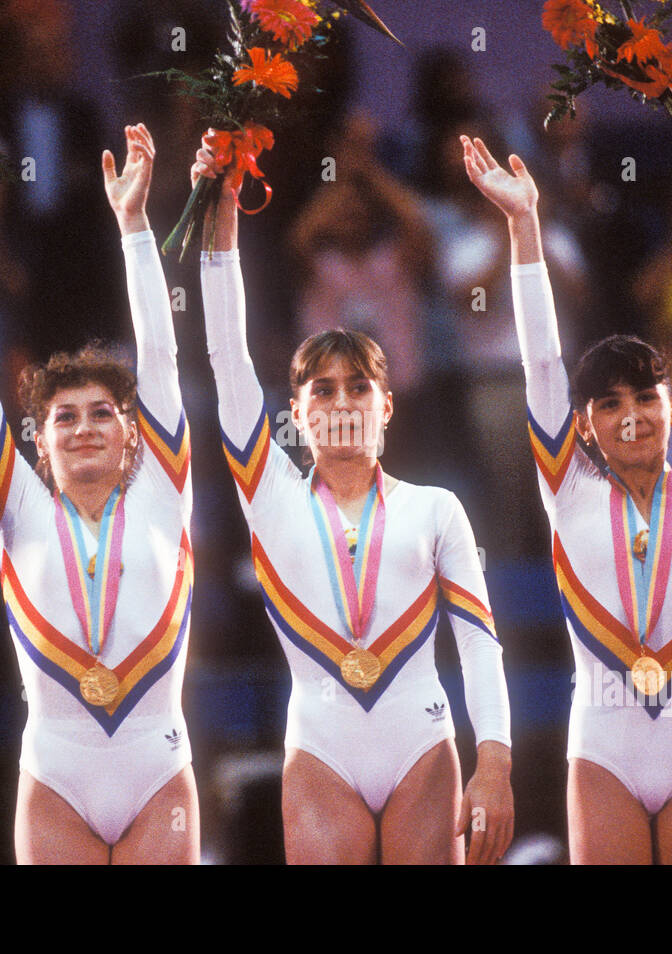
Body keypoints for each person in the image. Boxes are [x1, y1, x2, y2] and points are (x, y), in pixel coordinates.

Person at [193, 134, 514, 865]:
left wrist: (493, 762)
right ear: (296, 412)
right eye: (323, 389)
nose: (342, 402)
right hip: (322, 754)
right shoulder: (270, 496)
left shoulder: (438, 509)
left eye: (359, 387)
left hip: (424, 748)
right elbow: (225, 356)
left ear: (389, 405)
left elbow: (478, 644)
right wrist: (221, 218)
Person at [0, 124, 200, 864]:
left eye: (104, 414)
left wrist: (133, 226)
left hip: (158, 771)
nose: (86, 427)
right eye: (65, 416)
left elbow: (159, 356)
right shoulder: (19, 507)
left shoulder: (163, 492)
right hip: (54, 779)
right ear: (39, 440)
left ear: (134, 436)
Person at [465, 132, 672, 864]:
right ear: (583, 427)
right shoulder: (568, 488)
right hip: (603, 752)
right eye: (609, 404)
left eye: (646, 398)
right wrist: (524, 225)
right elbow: (540, 360)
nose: (631, 415)